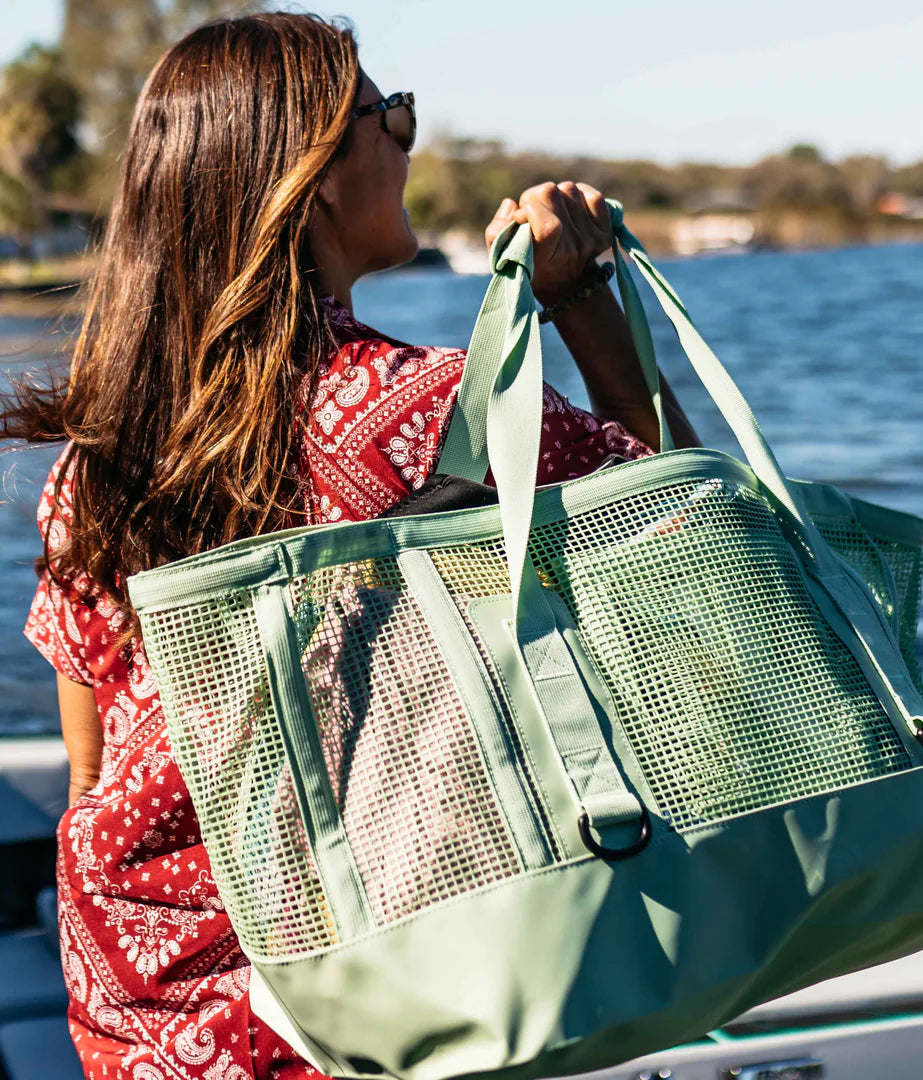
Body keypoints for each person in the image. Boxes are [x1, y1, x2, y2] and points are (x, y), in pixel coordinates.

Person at [3, 12, 698, 1080]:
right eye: (394, 117)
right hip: (363, 1000)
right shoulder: (439, 415)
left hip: (136, 996)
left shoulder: (97, 464)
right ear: (318, 175)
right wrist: (578, 296)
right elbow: (705, 544)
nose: (410, 141)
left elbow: (91, 768)